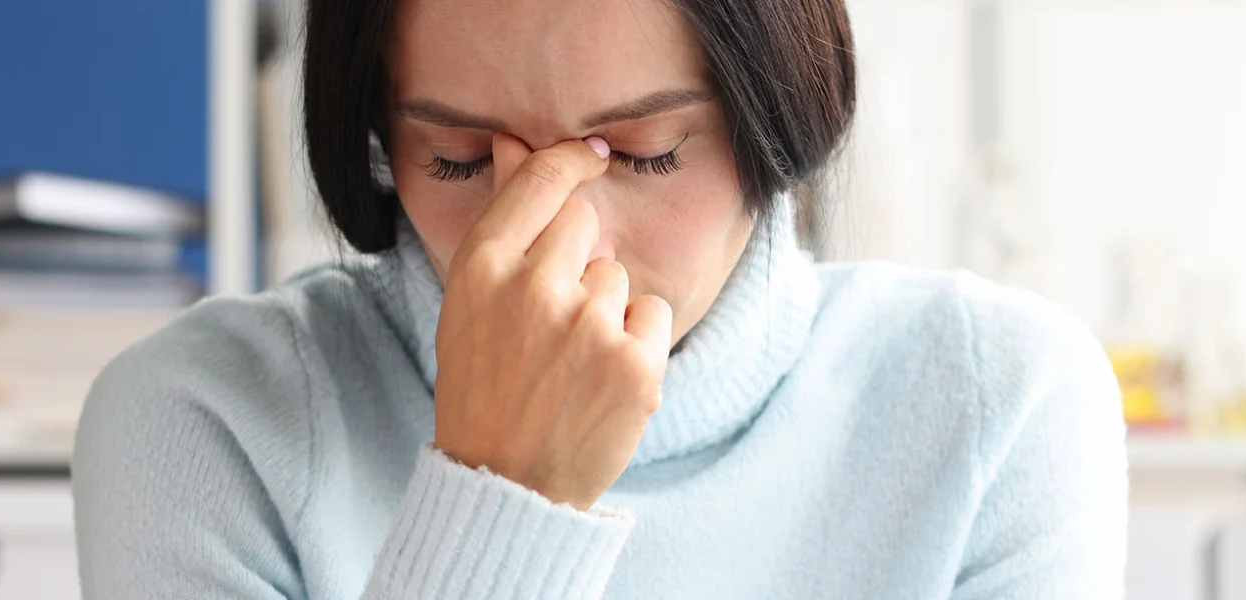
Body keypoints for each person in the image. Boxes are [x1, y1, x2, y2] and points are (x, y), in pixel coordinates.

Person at [71, 0, 1127, 597]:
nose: (555, 242)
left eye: (642, 153)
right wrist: (498, 493)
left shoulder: (997, 402)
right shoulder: (203, 422)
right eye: (455, 161)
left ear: (779, 116)